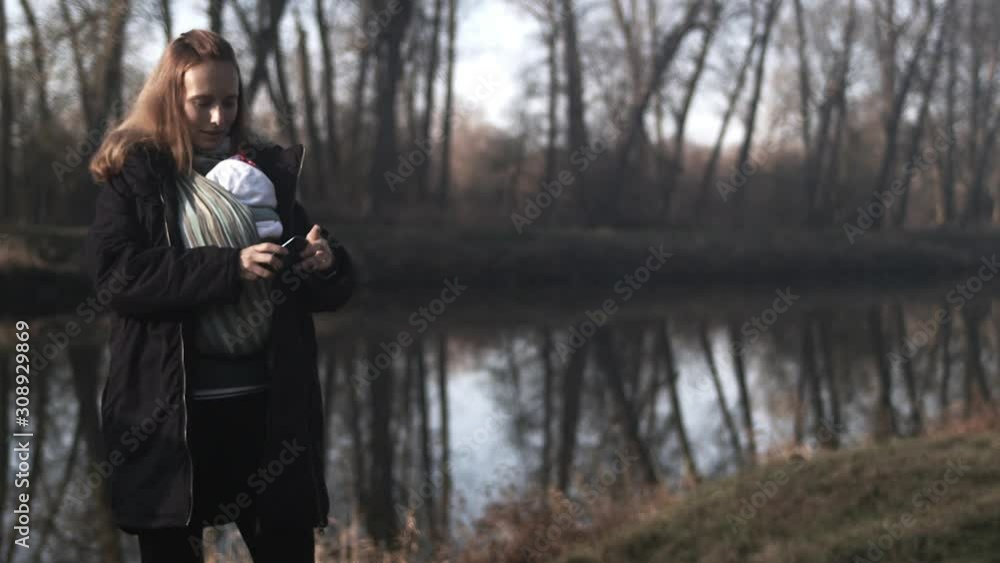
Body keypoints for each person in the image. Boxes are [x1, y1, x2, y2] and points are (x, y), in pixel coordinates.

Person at [85, 29, 354, 562]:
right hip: (171, 425)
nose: (218, 118)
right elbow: (116, 276)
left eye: (228, 102)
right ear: (170, 100)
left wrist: (325, 265)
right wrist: (228, 266)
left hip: (267, 421)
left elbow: (318, 286)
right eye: (201, 103)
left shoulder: (263, 173)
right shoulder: (136, 174)